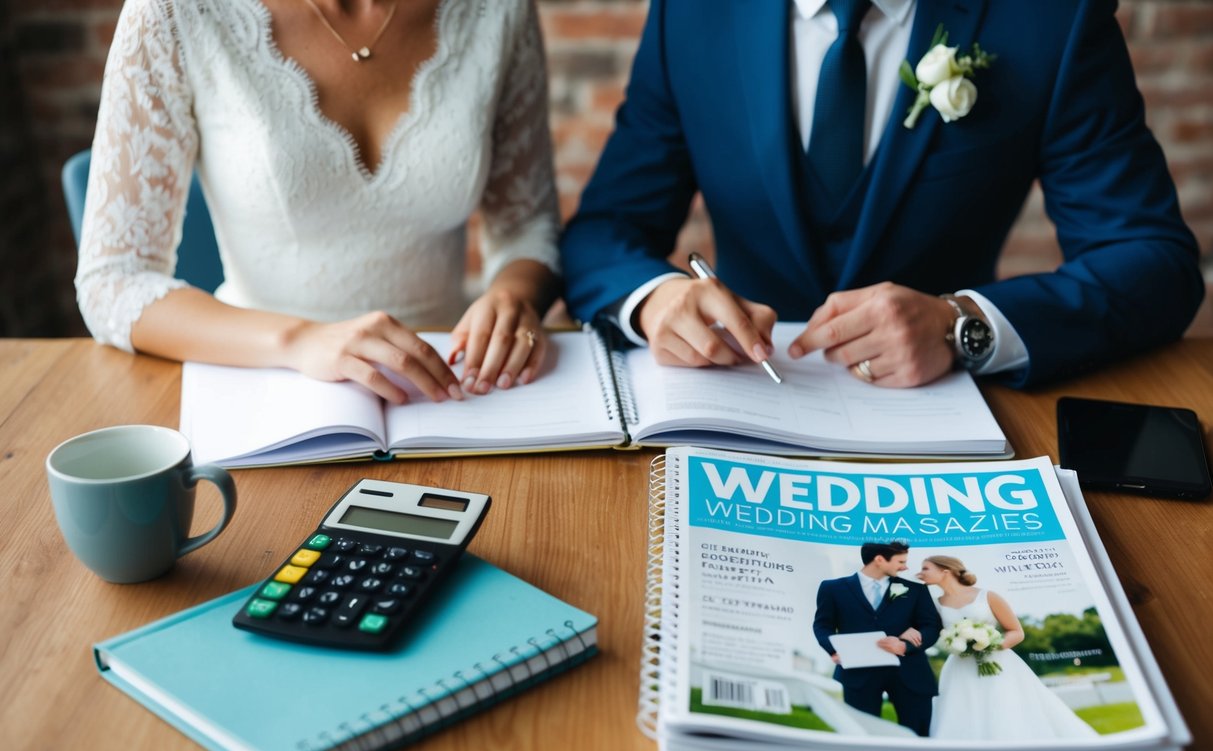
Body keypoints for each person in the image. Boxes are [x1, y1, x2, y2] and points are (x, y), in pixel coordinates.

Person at [559, 0, 1204, 388]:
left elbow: (1154, 263)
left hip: (950, 426)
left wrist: (963, 325)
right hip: (736, 408)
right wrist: (656, 299)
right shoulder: (691, 13)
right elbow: (605, 229)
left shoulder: (1051, 17)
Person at [75, 0, 561, 404]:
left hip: (452, 385)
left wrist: (515, 293)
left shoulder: (498, 10)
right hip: (261, 382)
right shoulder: (175, 14)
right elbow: (113, 280)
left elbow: (527, 222)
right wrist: (298, 340)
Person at [914, 555, 1098, 741]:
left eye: (925, 568)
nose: (919, 573)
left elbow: (1016, 632)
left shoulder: (987, 596)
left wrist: (990, 644)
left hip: (999, 662)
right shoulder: (933, 605)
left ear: (945, 570)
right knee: (963, 709)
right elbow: (929, 633)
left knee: (1003, 706)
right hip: (960, 668)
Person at [812, 541, 941, 736]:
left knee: (919, 735)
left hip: (910, 673)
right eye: (901, 561)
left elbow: (932, 627)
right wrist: (834, 649)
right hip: (857, 673)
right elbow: (823, 625)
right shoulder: (832, 588)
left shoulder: (916, 590)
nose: (905, 567)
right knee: (860, 734)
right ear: (879, 560)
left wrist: (904, 646)